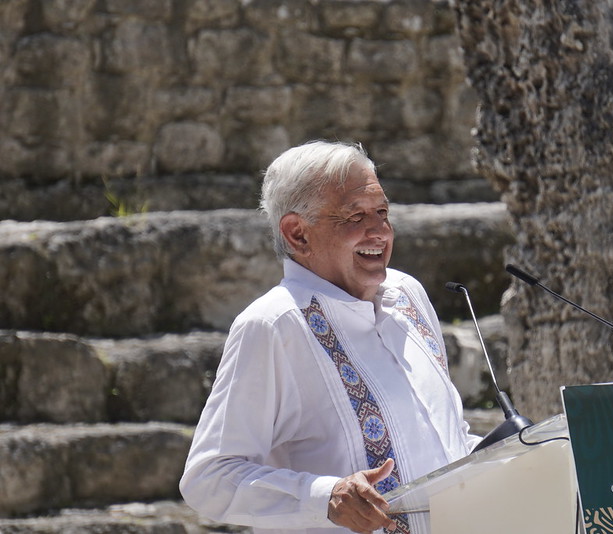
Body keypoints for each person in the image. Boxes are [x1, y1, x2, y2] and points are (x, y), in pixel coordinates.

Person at [180, 140, 481, 534]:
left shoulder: (407, 295)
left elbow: (446, 437)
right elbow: (210, 478)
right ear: (297, 234)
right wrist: (326, 496)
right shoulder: (273, 325)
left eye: (383, 212)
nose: (380, 232)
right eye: (355, 217)